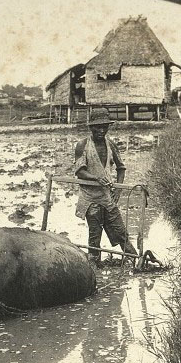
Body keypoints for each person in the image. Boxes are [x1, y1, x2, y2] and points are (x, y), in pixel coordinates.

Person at [73, 108, 138, 267]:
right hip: (89, 198)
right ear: (91, 128)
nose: (101, 130)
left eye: (105, 127)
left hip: (107, 197)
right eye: (97, 127)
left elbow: (121, 168)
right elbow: (80, 171)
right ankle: (95, 268)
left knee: (121, 232)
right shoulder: (83, 145)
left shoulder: (111, 145)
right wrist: (96, 178)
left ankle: (135, 261)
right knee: (95, 235)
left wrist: (119, 190)